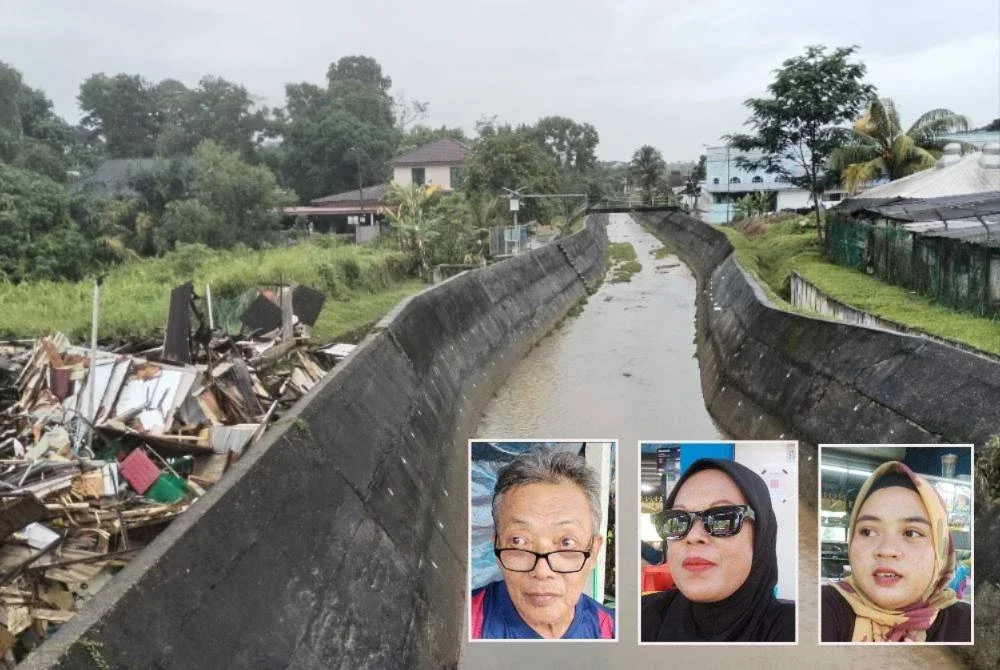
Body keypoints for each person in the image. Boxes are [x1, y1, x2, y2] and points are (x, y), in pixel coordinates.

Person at [641, 458, 795, 642]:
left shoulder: (795, 632)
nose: (692, 536)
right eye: (678, 520)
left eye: (722, 519)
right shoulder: (640, 618)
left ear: (761, 537)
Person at [470, 447, 615, 639]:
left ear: (593, 552)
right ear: (496, 546)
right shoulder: (460, 625)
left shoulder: (613, 631)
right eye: (518, 541)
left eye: (566, 542)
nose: (542, 572)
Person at [822, 461, 972, 642]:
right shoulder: (823, 609)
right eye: (867, 532)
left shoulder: (971, 627)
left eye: (911, 533)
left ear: (941, 550)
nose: (886, 550)